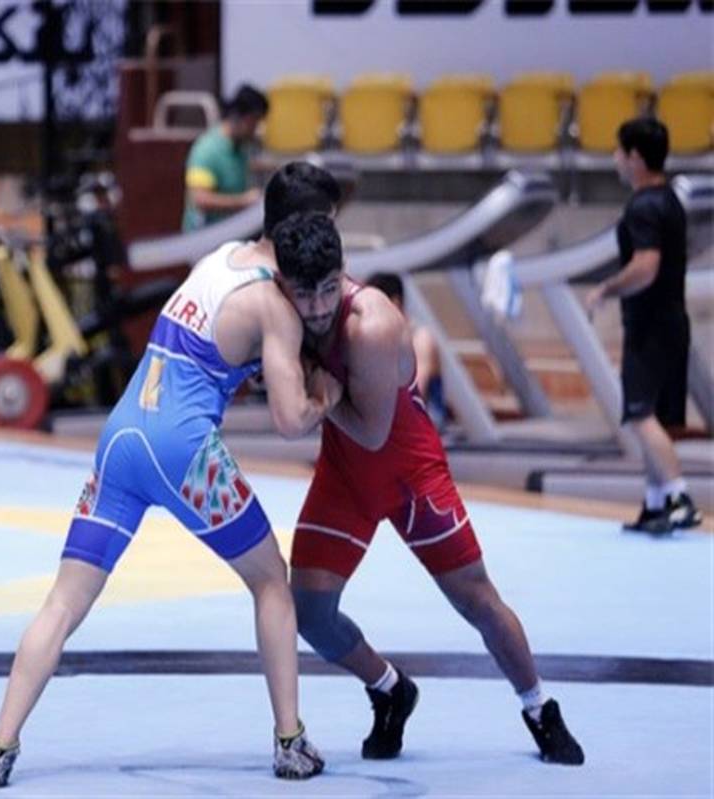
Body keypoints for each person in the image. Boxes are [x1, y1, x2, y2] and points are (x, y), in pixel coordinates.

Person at [0, 162, 344, 789]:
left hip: (121, 438)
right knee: (271, 580)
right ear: (306, 227)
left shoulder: (222, 258)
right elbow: (288, 421)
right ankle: (290, 740)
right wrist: (324, 398)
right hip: (182, 451)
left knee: (63, 601)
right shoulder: (275, 304)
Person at [273, 209, 584, 767]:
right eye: (304, 294)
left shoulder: (371, 324)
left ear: (342, 275)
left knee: (477, 600)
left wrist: (319, 396)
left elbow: (371, 432)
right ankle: (390, 688)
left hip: (411, 477)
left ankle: (539, 707)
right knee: (310, 613)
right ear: (283, 283)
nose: (316, 308)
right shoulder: (278, 309)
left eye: (326, 291)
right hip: (344, 477)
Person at [584, 117, 701, 535]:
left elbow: (646, 266)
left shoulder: (644, 206)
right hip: (672, 321)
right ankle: (655, 503)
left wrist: (606, 289)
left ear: (635, 156)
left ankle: (678, 496)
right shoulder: (670, 200)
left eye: (620, 151)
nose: (616, 158)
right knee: (653, 416)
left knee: (639, 414)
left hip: (650, 325)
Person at [181, 84, 269, 231]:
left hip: (229, 232)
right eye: (255, 121)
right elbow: (200, 199)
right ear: (242, 119)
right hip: (205, 237)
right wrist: (243, 201)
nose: (257, 129)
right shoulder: (207, 149)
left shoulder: (240, 147)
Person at [365, 272, 446, 430]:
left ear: (394, 303)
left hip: (425, 423)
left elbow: (417, 393)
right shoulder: (381, 339)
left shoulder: (421, 338)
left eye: (373, 306)